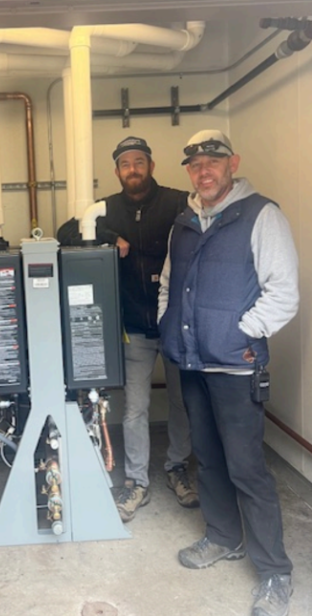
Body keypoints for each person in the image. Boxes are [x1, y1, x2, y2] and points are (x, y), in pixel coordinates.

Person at [158, 129, 298, 616]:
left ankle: (275, 571)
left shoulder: (262, 215)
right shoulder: (185, 223)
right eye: (195, 164)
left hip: (235, 369)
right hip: (192, 363)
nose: (204, 171)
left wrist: (243, 333)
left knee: (247, 469)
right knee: (208, 459)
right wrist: (167, 322)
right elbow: (169, 283)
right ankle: (222, 537)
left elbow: (284, 292)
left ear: (232, 163)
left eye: (213, 161)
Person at [57, 136, 198, 523]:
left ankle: (176, 468)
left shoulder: (177, 202)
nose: (132, 169)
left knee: (181, 402)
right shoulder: (105, 209)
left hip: (175, 322)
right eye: (125, 164)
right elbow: (64, 232)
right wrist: (108, 237)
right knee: (135, 409)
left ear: (151, 166)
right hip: (133, 326)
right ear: (117, 171)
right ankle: (137, 482)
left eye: (139, 162)